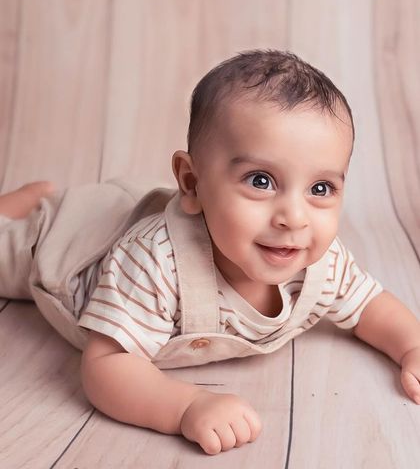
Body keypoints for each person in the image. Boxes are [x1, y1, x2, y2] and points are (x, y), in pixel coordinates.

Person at [1, 50, 419, 456]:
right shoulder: (154, 262)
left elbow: (370, 306)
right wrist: (185, 406)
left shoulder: (322, 263)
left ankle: (38, 194)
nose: (294, 217)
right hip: (71, 244)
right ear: (191, 181)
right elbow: (106, 364)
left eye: (320, 189)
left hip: (131, 210)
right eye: (261, 181)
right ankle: (27, 206)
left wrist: (411, 347)